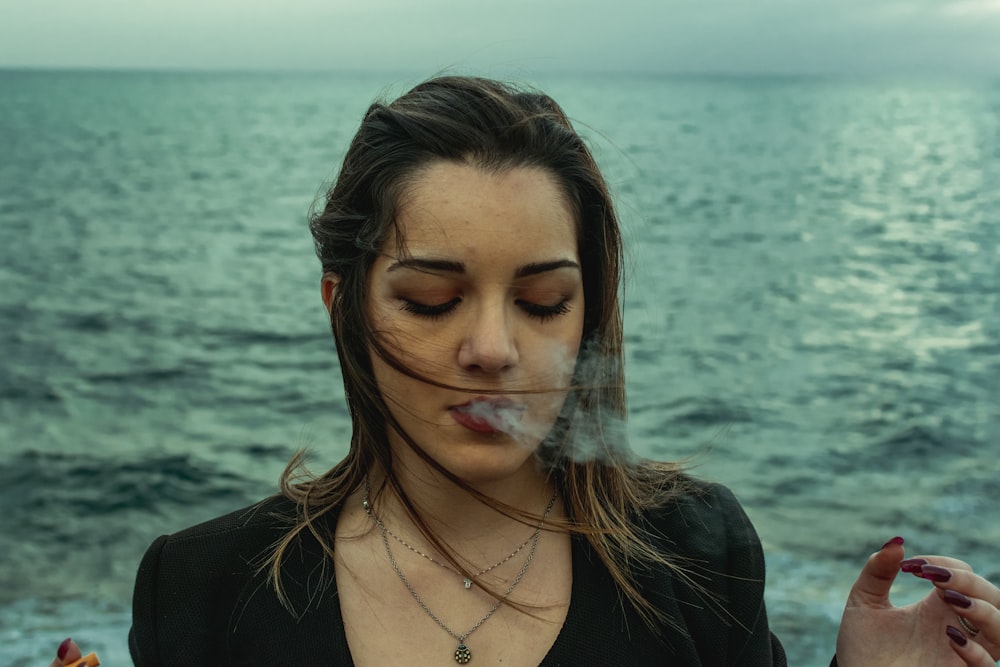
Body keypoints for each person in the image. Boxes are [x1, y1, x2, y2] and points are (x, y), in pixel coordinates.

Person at [51, 76, 999, 666]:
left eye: (544, 301)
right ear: (343, 305)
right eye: (430, 299)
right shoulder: (201, 584)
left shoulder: (696, 554)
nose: (495, 347)